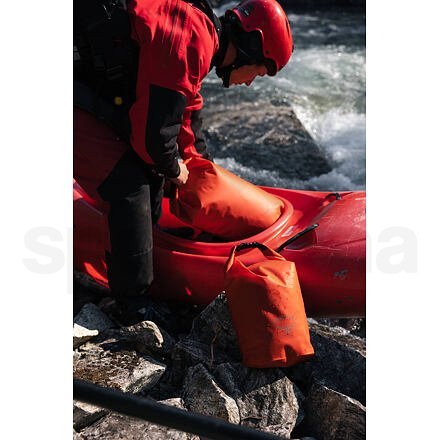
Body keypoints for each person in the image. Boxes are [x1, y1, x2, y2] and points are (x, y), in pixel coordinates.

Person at [74, 0, 293, 319]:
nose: (250, 82)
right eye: (258, 71)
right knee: (131, 184)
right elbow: (153, 140)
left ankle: (139, 256)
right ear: (250, 46)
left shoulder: (199, 32)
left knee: (152, 175)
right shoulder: (192, 36)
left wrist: (200, 168)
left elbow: (186, 112)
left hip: (91, 84)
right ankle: (131, 304)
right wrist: (174, 168)